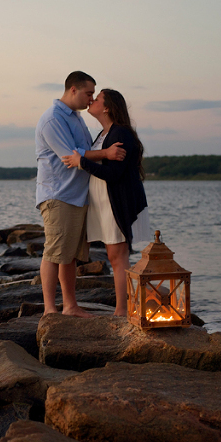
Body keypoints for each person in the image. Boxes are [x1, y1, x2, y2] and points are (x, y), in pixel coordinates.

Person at [35, 72, 126, 317]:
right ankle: (50, 310)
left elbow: (84, 150)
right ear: (73, 90)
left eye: (94, 95)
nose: (91, 99)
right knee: (54, 252)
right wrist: (106, 154)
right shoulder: (53, 119)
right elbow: (71, 155)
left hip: (76, 196)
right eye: (88, 93)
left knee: (69, 255)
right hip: (59, 195)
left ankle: (70, 306)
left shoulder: (74, 117)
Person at [62, 89, 149, 317]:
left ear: (107, 107)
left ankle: (122, 310)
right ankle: (124, 307)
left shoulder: (121, 133)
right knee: (114, 255)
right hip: (103, 202)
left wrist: (82, 162)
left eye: (97, 98)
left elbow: (114, 175)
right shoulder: (104, 133)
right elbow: (103, 162)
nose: (92, 100)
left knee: (118, 256)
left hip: (115, 201)